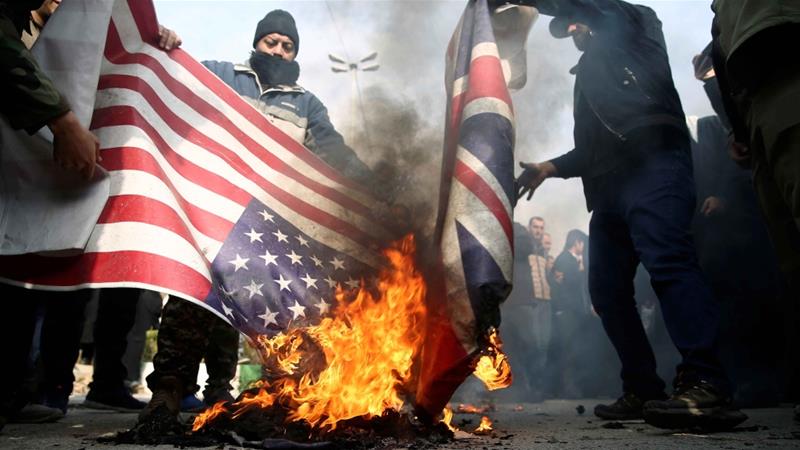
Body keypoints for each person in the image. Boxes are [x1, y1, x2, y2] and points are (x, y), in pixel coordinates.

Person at [501, 0, 746, 429]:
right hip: (609, 185)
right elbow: (595, 147)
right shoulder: (587, 77)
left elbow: (594, 9)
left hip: (655, 166)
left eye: (575, 21)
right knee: (607, 290)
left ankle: (706, 383)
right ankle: (642, 386)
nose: (572, 29)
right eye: (567, 26)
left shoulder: (635, 23)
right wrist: (550, 167)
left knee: (669, 264)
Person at [139, 9, 383, 424]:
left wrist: (377, 187)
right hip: (213, 212)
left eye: (287, 46)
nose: (278, 51)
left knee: (279, 308)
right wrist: (161, 40)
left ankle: (259, 393)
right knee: (194, 295)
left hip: (268, 225)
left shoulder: (306, 103)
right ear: (256, 43)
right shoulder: (221, 75)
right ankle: (168, 390)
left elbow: (334, 153)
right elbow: (173, 78)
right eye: (271, 42)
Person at [710, 0, 800, 422]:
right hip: (757, 110)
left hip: (790, 80)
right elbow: (724, 53)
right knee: (792, 259)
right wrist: (741, 129)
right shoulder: (721, 13)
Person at [547, 229, 588, 398]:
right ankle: (567, 388)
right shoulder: (565, 259)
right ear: (577, 242)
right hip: (567, 311)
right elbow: (562, 285)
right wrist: (581, 271)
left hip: (572, 311)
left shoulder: (569, 260)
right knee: (568, 351)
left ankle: (569, 387)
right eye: (582, 243)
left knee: (572, 349)